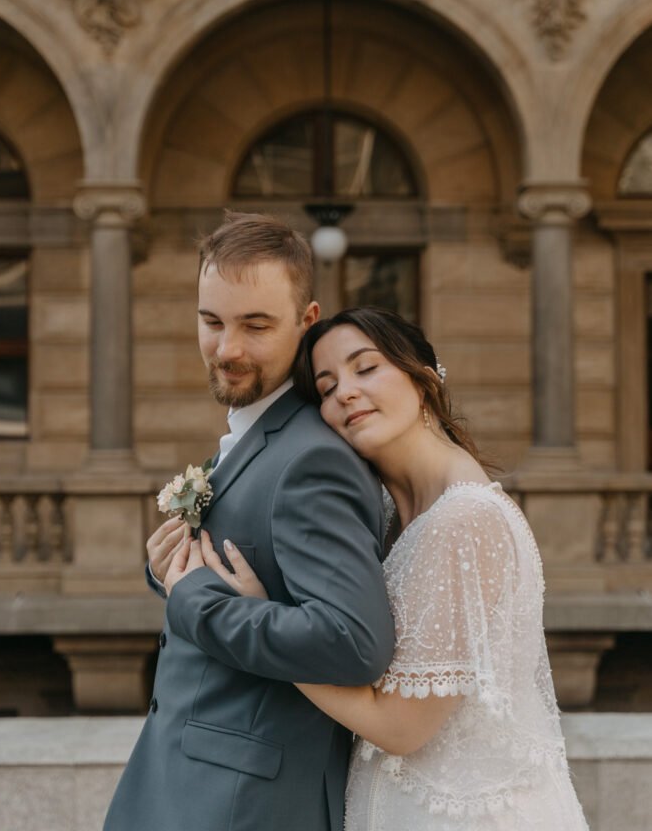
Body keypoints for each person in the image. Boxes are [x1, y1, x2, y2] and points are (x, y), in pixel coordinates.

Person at [200, 307, 590, 831]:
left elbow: (402, 728)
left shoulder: (465, 520)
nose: (345, 393)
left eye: (366, 368)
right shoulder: (388, 517)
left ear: (423, 379)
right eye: (327, 386)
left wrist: (264, 623)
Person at [102, 215, 394, 831]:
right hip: (185, 785)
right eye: (212, 322)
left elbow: (353, 643)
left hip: (243, 808)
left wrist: (194, 600)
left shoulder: (312, 458)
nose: (227, 349)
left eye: (255, 326)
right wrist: (170, 572)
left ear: (307, 321)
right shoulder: (258, 436)